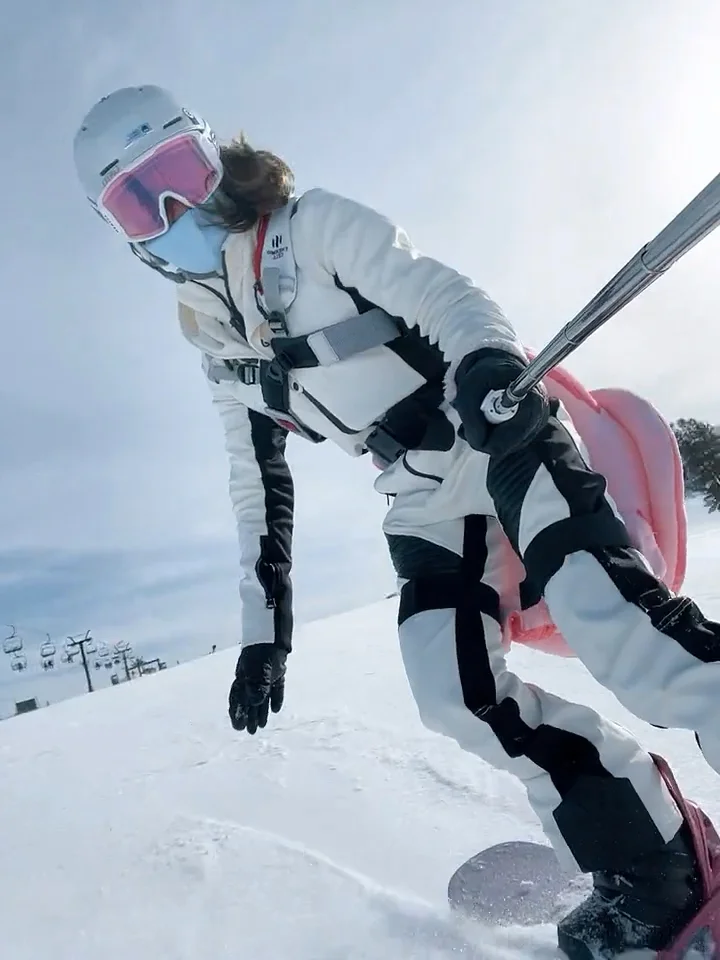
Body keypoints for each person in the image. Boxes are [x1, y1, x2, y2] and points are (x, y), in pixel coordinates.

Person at [72, 84, 720, 959]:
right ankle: (660, 863)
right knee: (456, 696)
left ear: (212, 155)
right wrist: (267, 636)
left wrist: (487, 358)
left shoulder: (311, 228)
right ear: (128, 240)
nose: (177, 210)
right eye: (140, 207)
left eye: (179, 174)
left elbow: (444, 294)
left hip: (492, 424)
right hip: (419, 490)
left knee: (618, 625)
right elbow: (256, 489)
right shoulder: (218, 348)